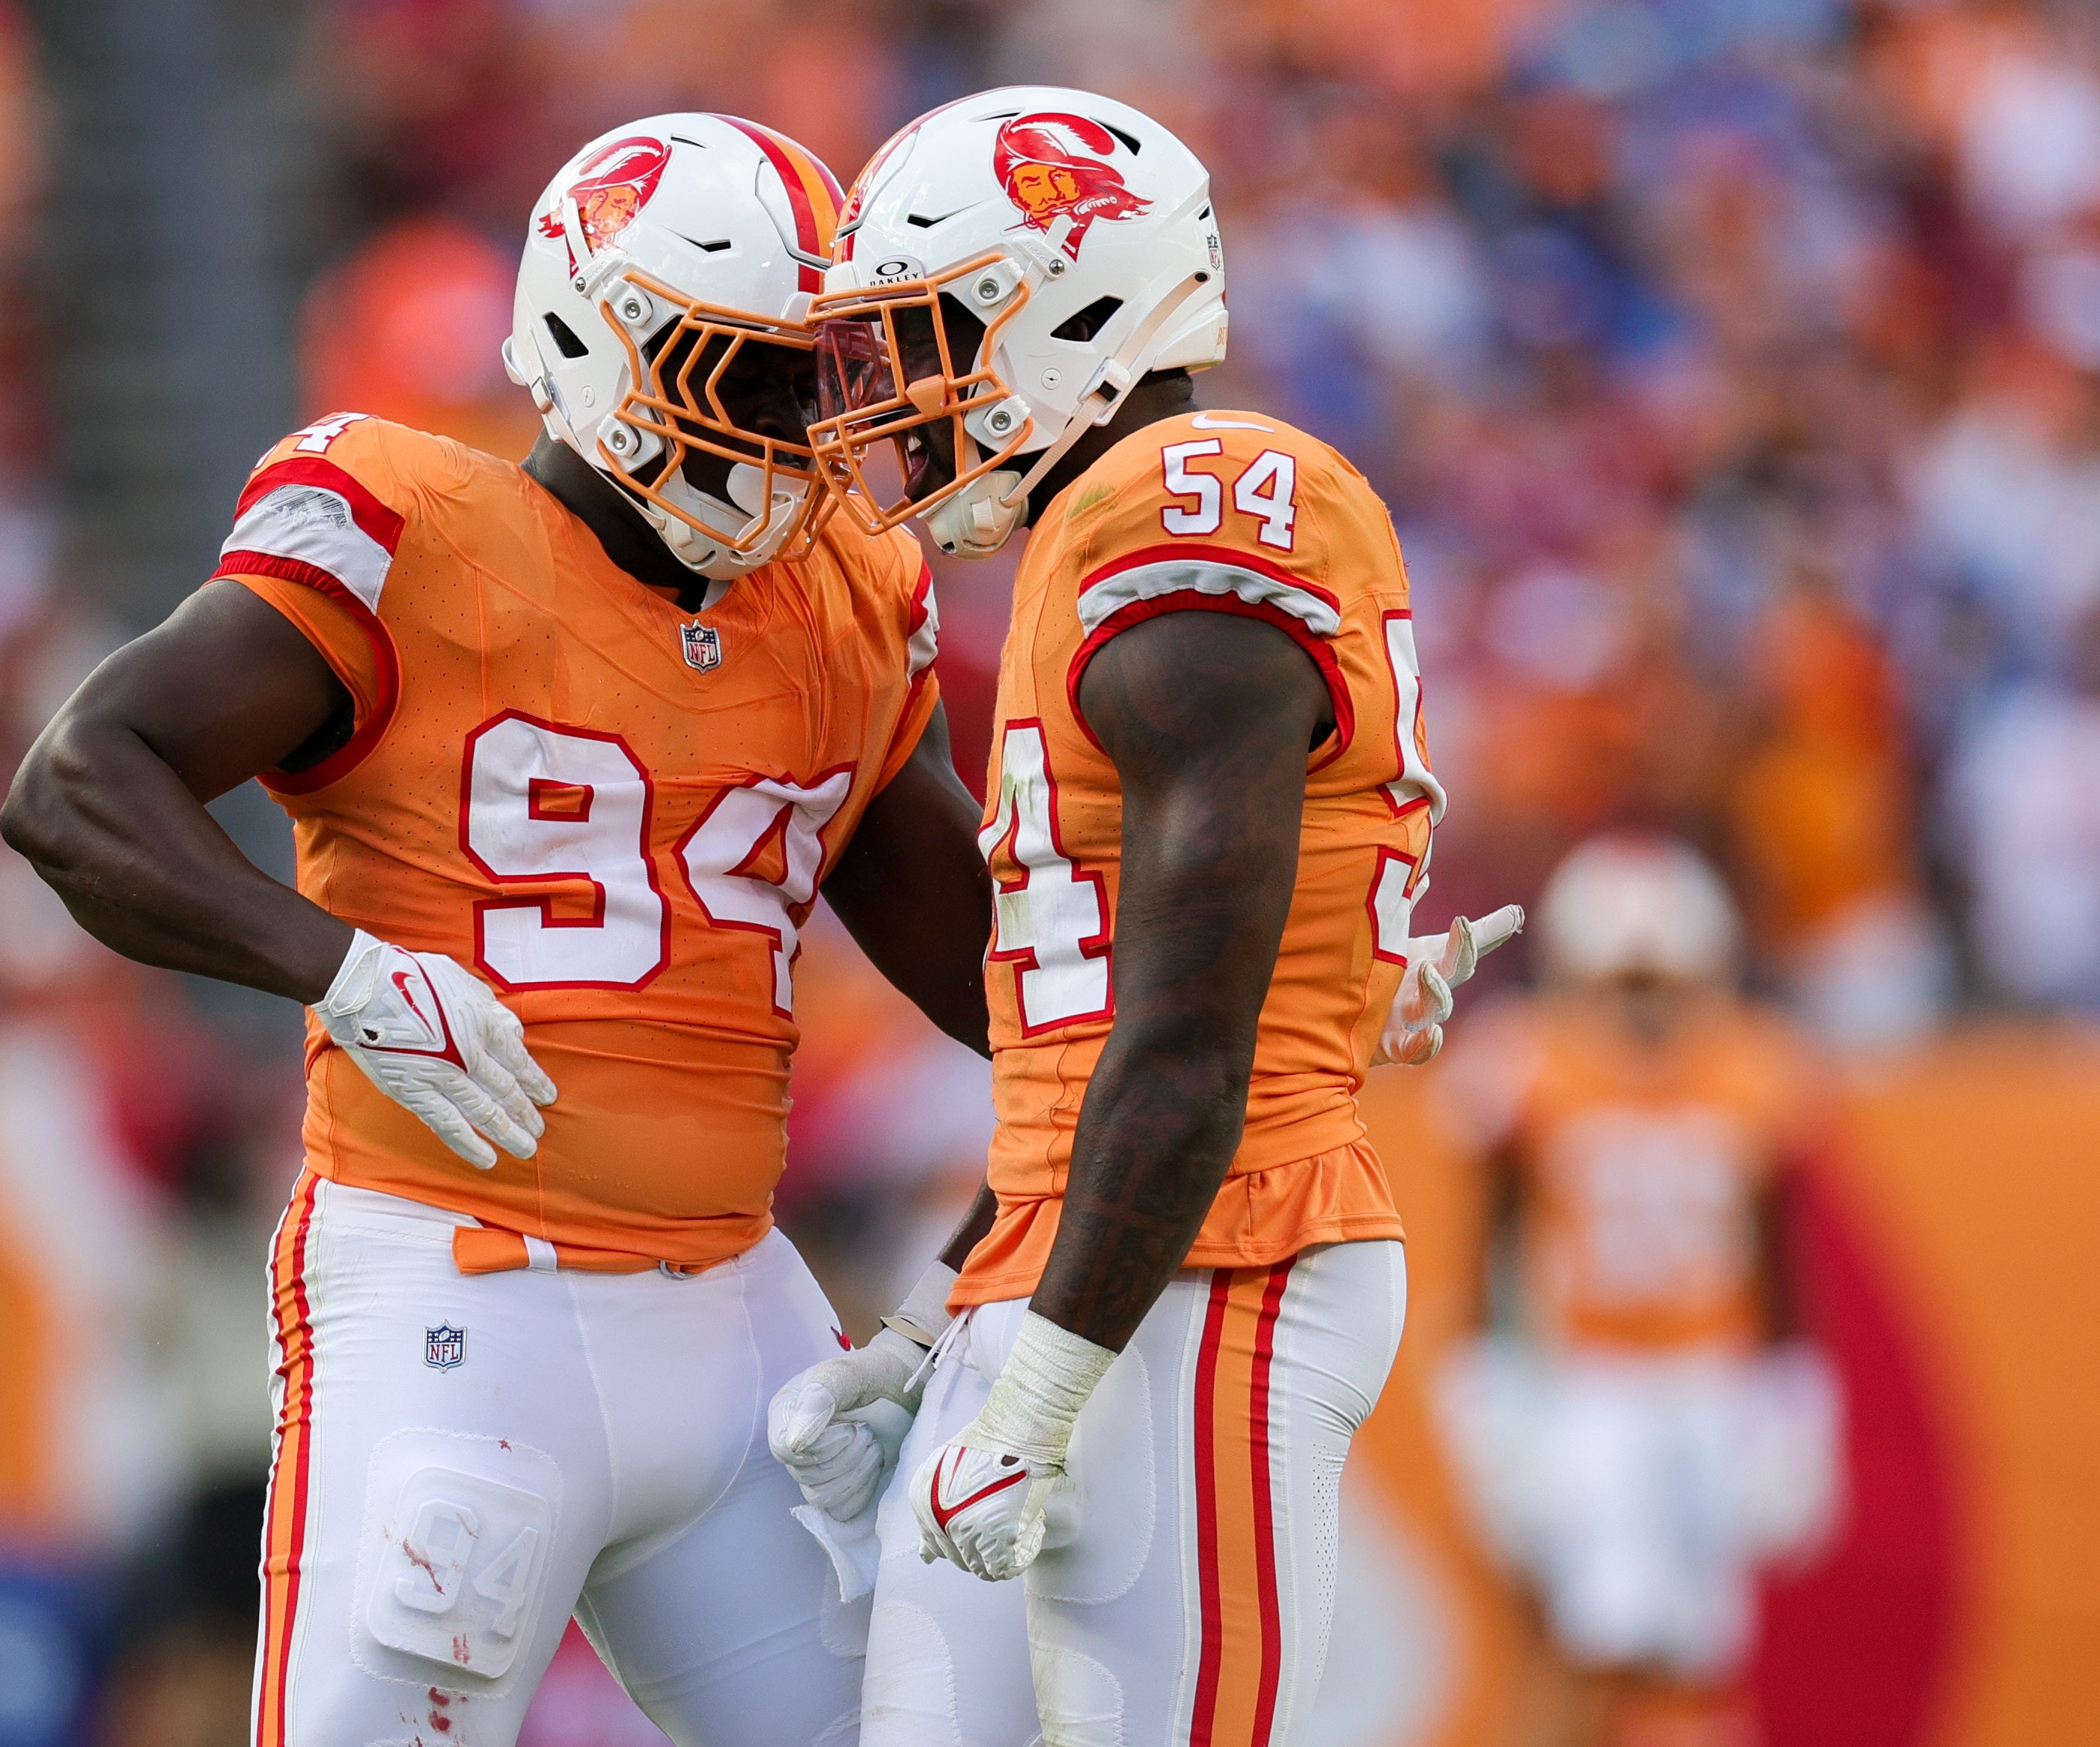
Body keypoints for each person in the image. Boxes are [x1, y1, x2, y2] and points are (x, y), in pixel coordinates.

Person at [1, 114, 999, 1747]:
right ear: (595, 342)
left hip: (744, 1315)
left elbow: (989, 967)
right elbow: (77, 784)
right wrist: (339, 967)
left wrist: (1267, 979)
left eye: (815, 374)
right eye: (742, 373)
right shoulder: (405, 526)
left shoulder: (851, 596)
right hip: (464, 1297)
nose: (795, 427)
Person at [761, 87, 1518, 1747]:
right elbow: (1083, 1051)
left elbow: (1188, 1040)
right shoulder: (1086, 533)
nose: (898, 398)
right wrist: (927, 1322)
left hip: (1218, 1258)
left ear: (1071, 306)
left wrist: (1034, 1394)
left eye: (928, 336)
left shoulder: (1194, 507)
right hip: (1094, 1254)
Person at [1432, 835, 1842, 1747]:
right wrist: (1485, 1390)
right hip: (1590, 1390)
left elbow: (1778, 1258)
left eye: (1660, 980)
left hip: (1709, 1384)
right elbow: (1492, 1251)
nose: (1643, 1005)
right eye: (1624, 979)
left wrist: (1794, 1400)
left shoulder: (1755, 1068)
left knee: (1699, 1658)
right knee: (1594, 1650)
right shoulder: (1530, 1067)